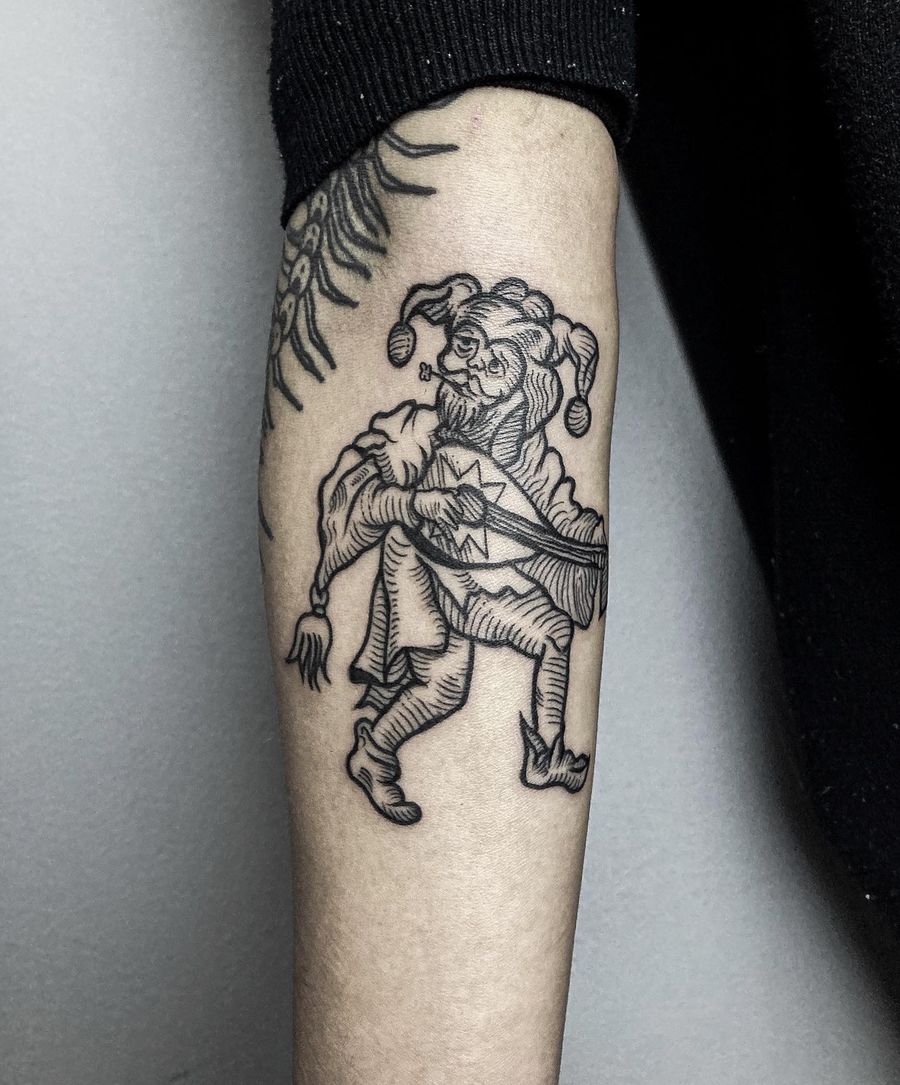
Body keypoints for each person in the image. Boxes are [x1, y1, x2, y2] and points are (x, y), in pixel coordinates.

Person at [260, 3, 899, 1081]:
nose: (471, 372)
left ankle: (507, 742)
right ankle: (396, 744)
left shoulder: (512, 431)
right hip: (432, 564)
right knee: (454, 674)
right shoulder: (447, 424)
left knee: (522, 642)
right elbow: (455, 146)